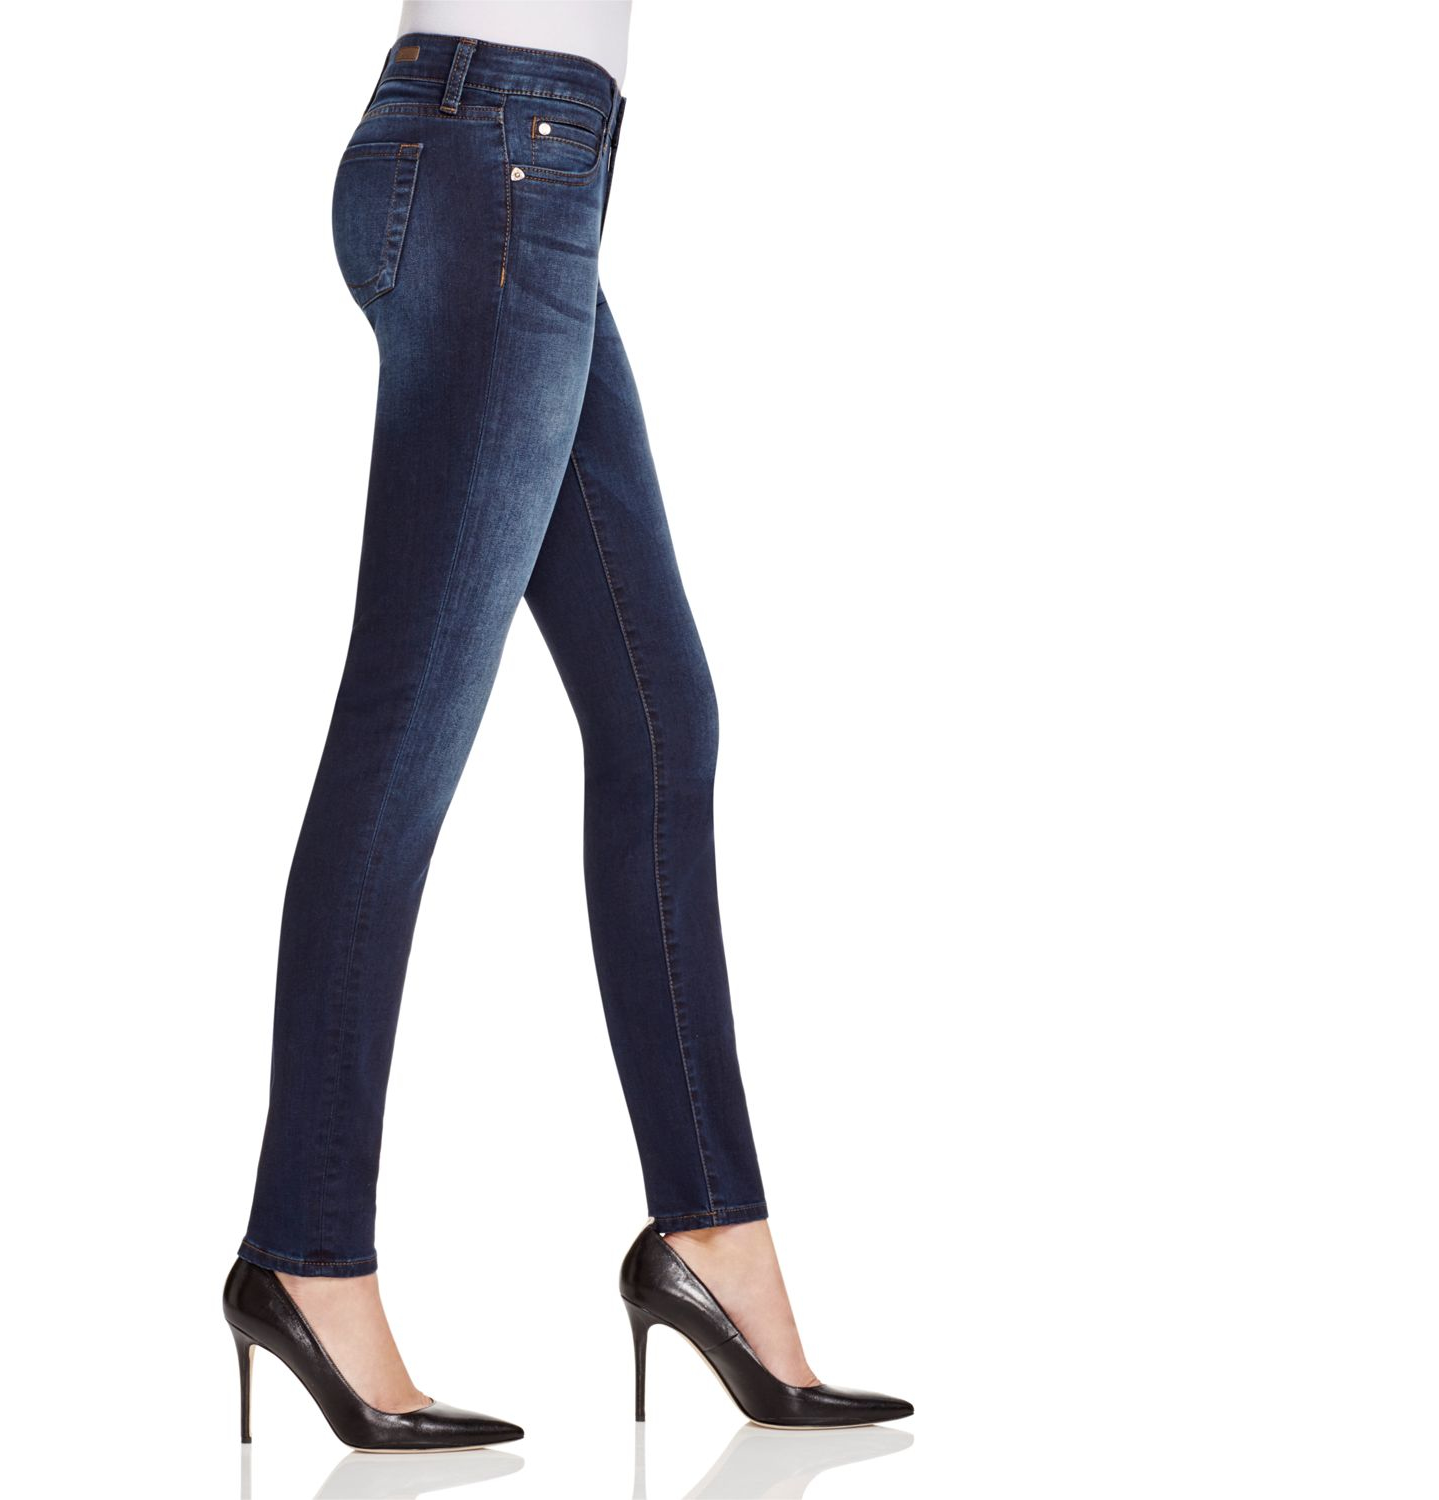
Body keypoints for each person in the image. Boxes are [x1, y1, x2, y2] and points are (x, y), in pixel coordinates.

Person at [220, 5, 913, 1450]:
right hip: (498, 158)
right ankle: (307, 1251)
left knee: (661, 718)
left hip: (524, 167)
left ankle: (713, 1238)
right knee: (406, 729)